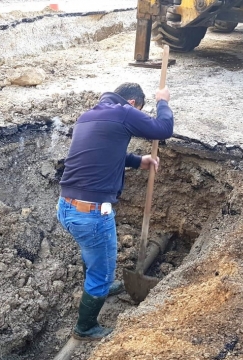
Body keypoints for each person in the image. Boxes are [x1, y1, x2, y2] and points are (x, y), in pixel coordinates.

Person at [57, 82, 173, 340]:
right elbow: (164, 129)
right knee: (102, 268)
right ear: (133, 104)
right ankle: (85, 328)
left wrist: (138, 160)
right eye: (140, 111)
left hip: (66, 206)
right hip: (92, 214)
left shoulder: (88, 116)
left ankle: (102, 286)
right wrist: (163, 101)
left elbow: (102, 153)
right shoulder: (125, 112)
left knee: (92, 253)